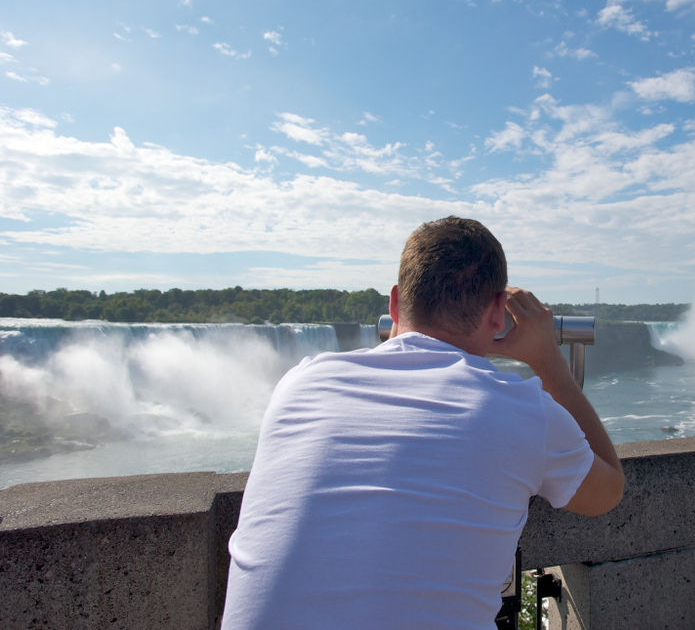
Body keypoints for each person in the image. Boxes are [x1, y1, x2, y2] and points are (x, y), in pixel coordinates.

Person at [221, 216, 624, 630]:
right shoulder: (523, 411)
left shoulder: (300, 383)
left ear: (395, 303)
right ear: (498, 312)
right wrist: (547, 359)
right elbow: (607, 490)